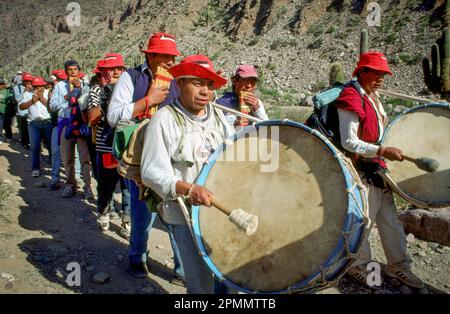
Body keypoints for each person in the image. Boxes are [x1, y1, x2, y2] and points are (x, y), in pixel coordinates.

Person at [141, 54, 235, 294]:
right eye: (197, 83)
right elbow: (151, 172)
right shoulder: (163, 120)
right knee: (200, 285)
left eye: (210, 85)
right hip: (185, 216)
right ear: (180, 83)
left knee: (229, 277)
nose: (205, 91)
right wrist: (189, 189)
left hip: (219, 212)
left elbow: (232, 155)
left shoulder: (219, 118)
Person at [335, 51, 424, 289]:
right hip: (361, 171)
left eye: (384, 73)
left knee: (391, 222)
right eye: (377, 73)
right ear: (362, 72)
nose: (382, 78)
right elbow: (349, 142)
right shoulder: (350, 97)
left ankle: (399, 267)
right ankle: (358, 267)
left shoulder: (373, 96)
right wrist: (383, 151)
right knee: (363, 222)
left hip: (378, 170)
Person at [108, 32, 184, 283]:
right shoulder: (131, 77)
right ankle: (137, 257)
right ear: (150, 55)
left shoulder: (178, 80)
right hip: (139, 155)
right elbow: (113, 116)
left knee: (176, 210)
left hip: (171, 154)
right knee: (142, 211)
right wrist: (147, 101)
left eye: (173, 56)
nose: (170, 61)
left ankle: (182, 269)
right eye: (165, 56)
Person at [87, 53, 131, 238]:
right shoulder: (96, 90)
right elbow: (92, 117)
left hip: (128, 144)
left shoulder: (130, 88)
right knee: (106, 184)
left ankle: (127, 221)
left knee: (128, 186)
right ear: (103, 72)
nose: (116, 72)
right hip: (106, 145)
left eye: (119, 68)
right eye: (112, 69)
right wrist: (107, 107)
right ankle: (103, 212)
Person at [49, 60, 94, 200]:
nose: (73, 72)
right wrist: (66, 98)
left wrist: (81, 89)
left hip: (80, 124)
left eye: (75, 69)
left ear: (79, 70)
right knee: (67, 158)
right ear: (66, 71)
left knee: (85, 158)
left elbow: (89, 102)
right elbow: (52, 106)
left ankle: (87, 186)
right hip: (65, 124)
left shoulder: (85, 85)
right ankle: (70, 185)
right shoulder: (59, 87)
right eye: (70, 69)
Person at [18, 77, 52, 177]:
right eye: (35, 86)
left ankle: (53, 164)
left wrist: (41, 98)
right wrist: (32, 101)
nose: (37, 88)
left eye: (39, 86)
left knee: (50, 145)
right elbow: (21, 107)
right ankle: (35, 168)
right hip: (33, 123)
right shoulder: (27, 94)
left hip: (47, 121)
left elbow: (52, 107)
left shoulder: (48, 92)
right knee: (35, 147)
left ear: (44, 85)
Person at [14, 73, 31, 149]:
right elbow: (18, 99)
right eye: (26, 81)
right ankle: (25, 143)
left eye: (29, 80)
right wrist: (24, 91)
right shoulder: (17, 88)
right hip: (22, 111)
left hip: (31, 111)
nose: (28, 82)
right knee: (24, 128)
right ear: (23, 80)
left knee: (31, 128)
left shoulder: (32, 86)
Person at [0, 78, 15, 144]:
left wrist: (2, 100)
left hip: (7, 111)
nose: (0, 85)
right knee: (0, 125)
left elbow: (9, 100)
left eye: (2, 84)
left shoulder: (7, 91)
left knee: (7, 125)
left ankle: (8, 137)